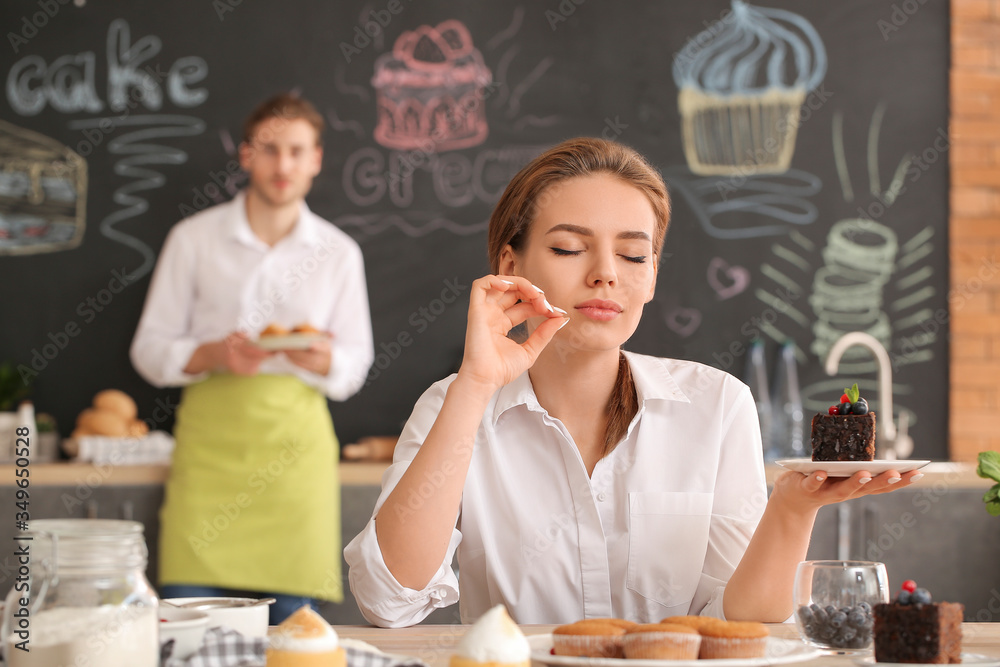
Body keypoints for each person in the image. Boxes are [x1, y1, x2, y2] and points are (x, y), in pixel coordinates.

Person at [344, 137, 920, 627]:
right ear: (511, 268)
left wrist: (793, 510)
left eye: (633, 255)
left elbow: (739, 622)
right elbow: (387, 600)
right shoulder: (454, 404)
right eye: (569, 248)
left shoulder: (717, 405)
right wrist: (474, 385)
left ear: (651, 279)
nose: (605, 273)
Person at [131, 93, 374, 624]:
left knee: (293, 636)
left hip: (295, 467)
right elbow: (148, 350)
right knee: (186, 630)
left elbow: (355, 365)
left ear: (315, 159)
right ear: (246, 156)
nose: (282, 165)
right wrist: (214, 353)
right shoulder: (193, 239)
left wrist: (321, 361)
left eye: (295, 151)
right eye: (269, 150)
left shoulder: (338, 253)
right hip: (208, 460)